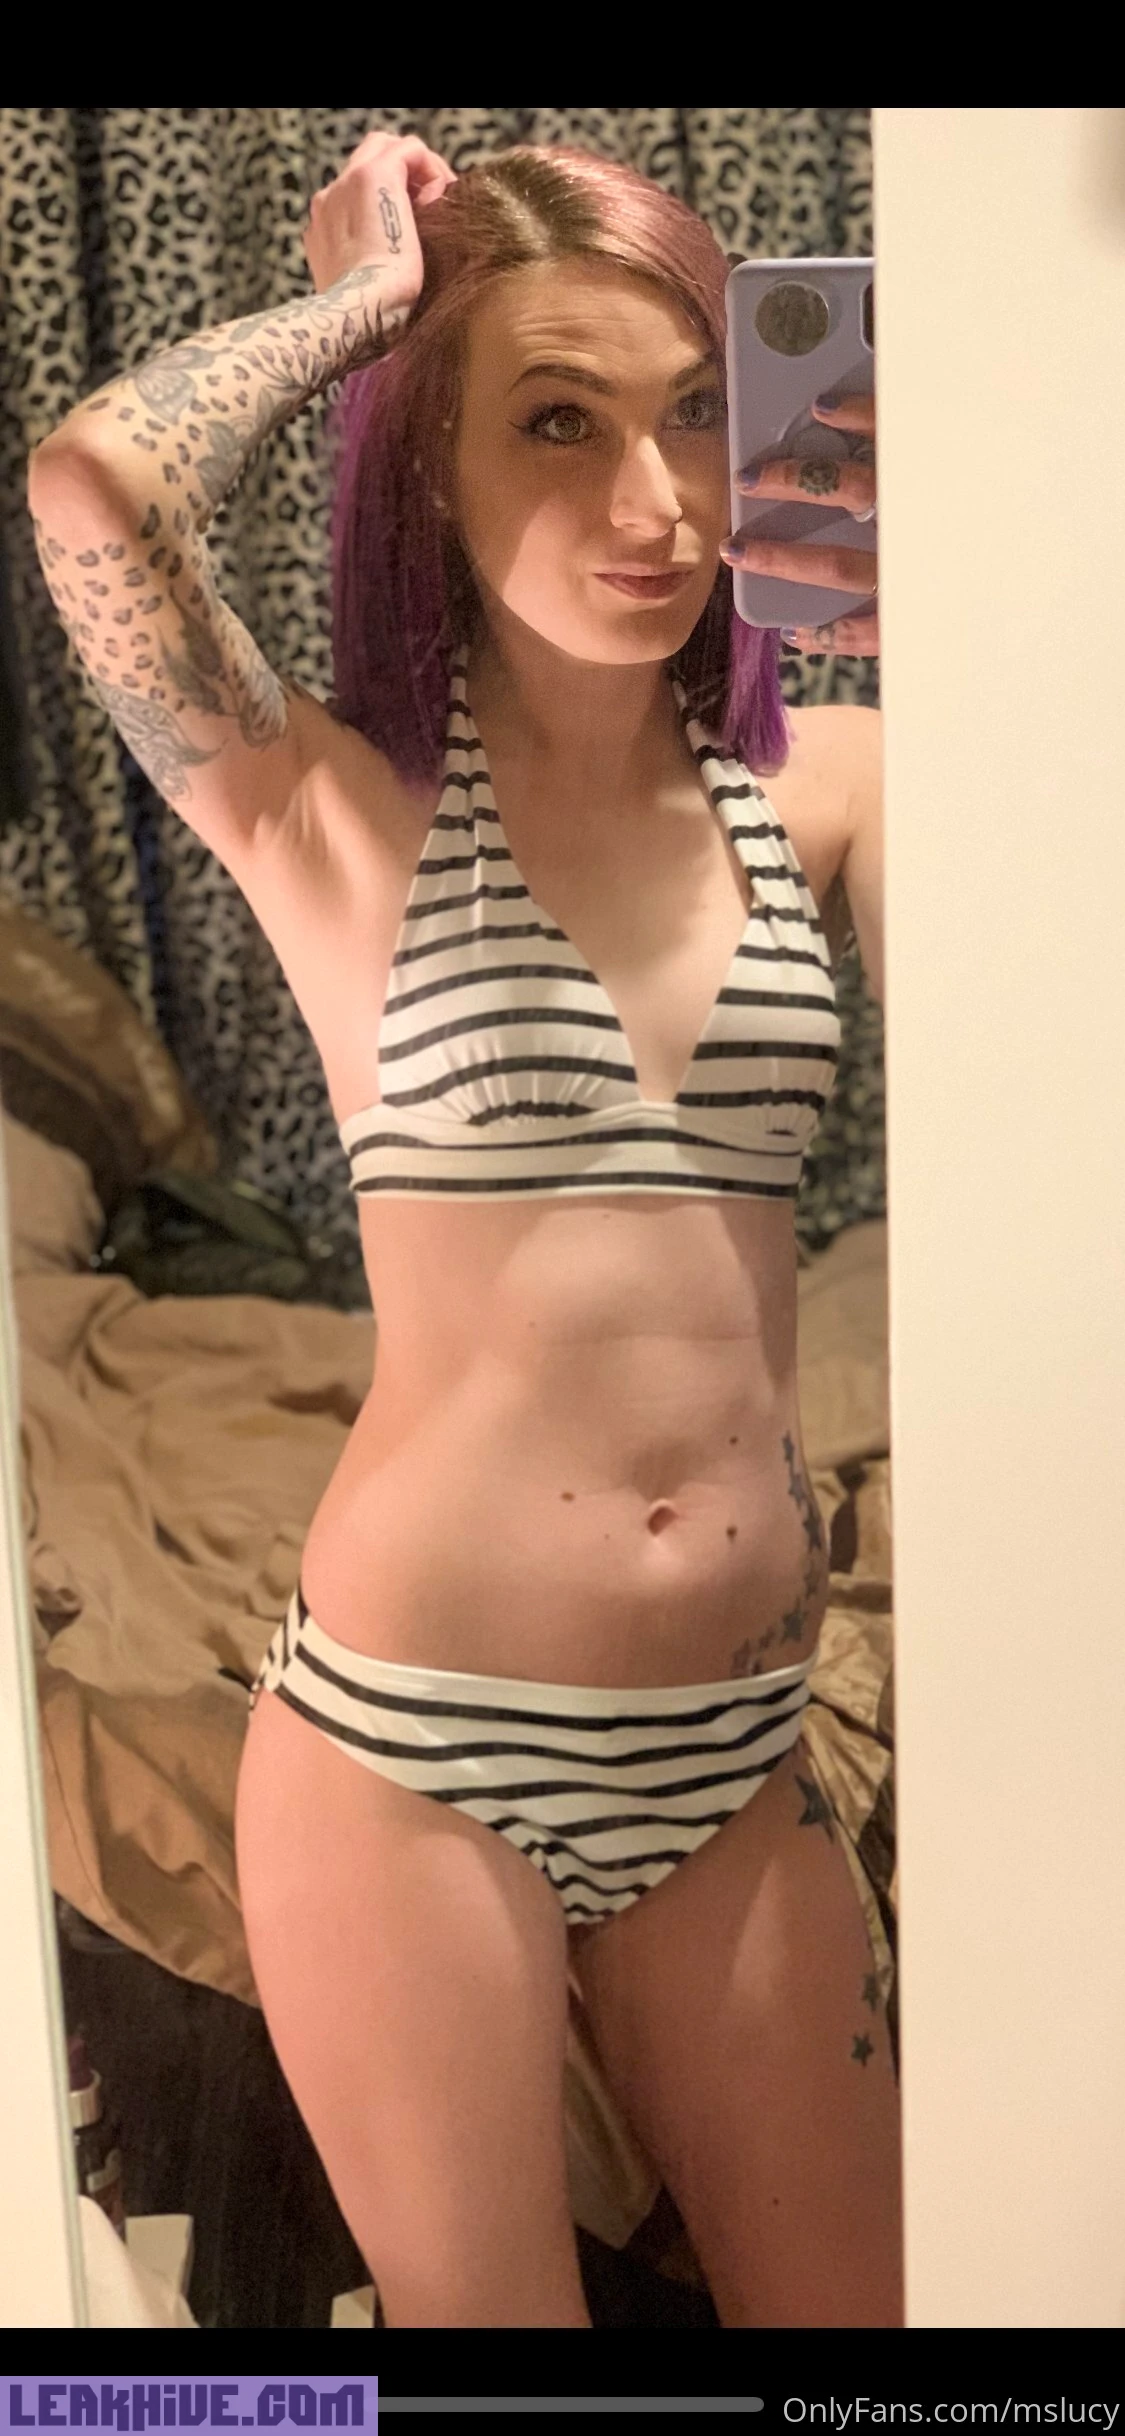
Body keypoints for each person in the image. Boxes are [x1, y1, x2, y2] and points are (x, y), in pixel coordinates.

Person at [27, 130, 896, 2328]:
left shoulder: (832, 785)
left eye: (695, 414)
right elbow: (94, 492)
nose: (654, 501)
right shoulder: (329, 810)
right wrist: (359, 316)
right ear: (426, 466)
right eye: (558, 423)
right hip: (413, 1755)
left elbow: (1050, 1031)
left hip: (732, 1754)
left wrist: (832, 464)